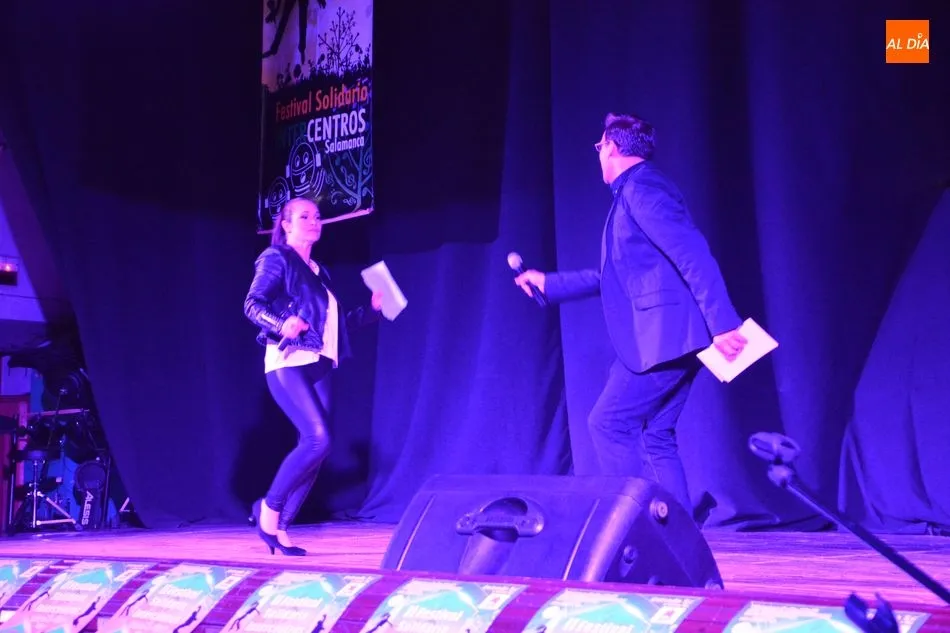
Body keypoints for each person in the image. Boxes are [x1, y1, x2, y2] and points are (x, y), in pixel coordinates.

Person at [515, 113, 747, 513]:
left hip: (665, 337)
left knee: (608, 423)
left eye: (599, 146)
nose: (598, 154)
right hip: (671, 337)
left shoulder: (643, 189)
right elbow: (612, 277)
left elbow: (693, 254)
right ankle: (676, 531)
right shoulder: (632, 194)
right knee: (656, 434)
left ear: (612, 147)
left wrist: (724, 324)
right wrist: (550, 284)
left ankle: (635, 518)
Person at [244, 196, 383, 555]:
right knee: (317, 438)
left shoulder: (321, 273)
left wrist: (371, 311)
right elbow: (253, 304)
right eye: (304, 216)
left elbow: (336, 326)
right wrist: (280, 323)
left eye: (317, 216)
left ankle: (280, 528)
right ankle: (268, 509)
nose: (314, 221)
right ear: (286, 225)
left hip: (320, 362)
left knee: (319, 448)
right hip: (288, 360)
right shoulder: (277, 257)